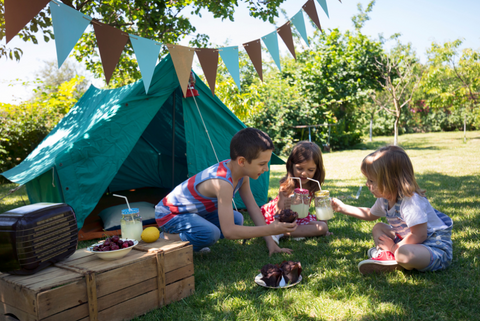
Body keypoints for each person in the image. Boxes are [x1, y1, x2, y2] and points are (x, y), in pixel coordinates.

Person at [155, 128, 297, 256]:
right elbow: (229, 232)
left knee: (237, 219)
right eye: (261, 164)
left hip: (193, 213)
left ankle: (196, 237)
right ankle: (167, 238)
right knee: (210, 233)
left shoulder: (241, 174)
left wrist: (271, 242)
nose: (266, 169)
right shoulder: (222, 183)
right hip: (169, 214)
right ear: (242, 161)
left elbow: (253, 207)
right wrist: (271, 229)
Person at [331, 145, 453, 275]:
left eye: (372, 180)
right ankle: (389, 257)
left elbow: (419, 235)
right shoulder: (384, 199)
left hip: (433, 247)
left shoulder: (411, 202)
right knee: (378, 227)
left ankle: (393, 255)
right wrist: (342, 208)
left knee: (403, 254)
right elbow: (369, 214)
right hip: (408, 242)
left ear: (392, 181)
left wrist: (394, 247)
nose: (367, 184)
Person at [261, 141, 331, 243]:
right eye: (299, 168)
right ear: (291, 165)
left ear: (317, 170)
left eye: (310, 170)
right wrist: (287, 206)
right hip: (281, 218)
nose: (304, 173)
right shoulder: (286, 186)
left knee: (322, 227)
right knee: (286, 225)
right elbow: (278, 213)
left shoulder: (314, 185)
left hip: (299, 218)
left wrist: (325, 229)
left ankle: (290, 233)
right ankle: (280, 232)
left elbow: (321, 210)